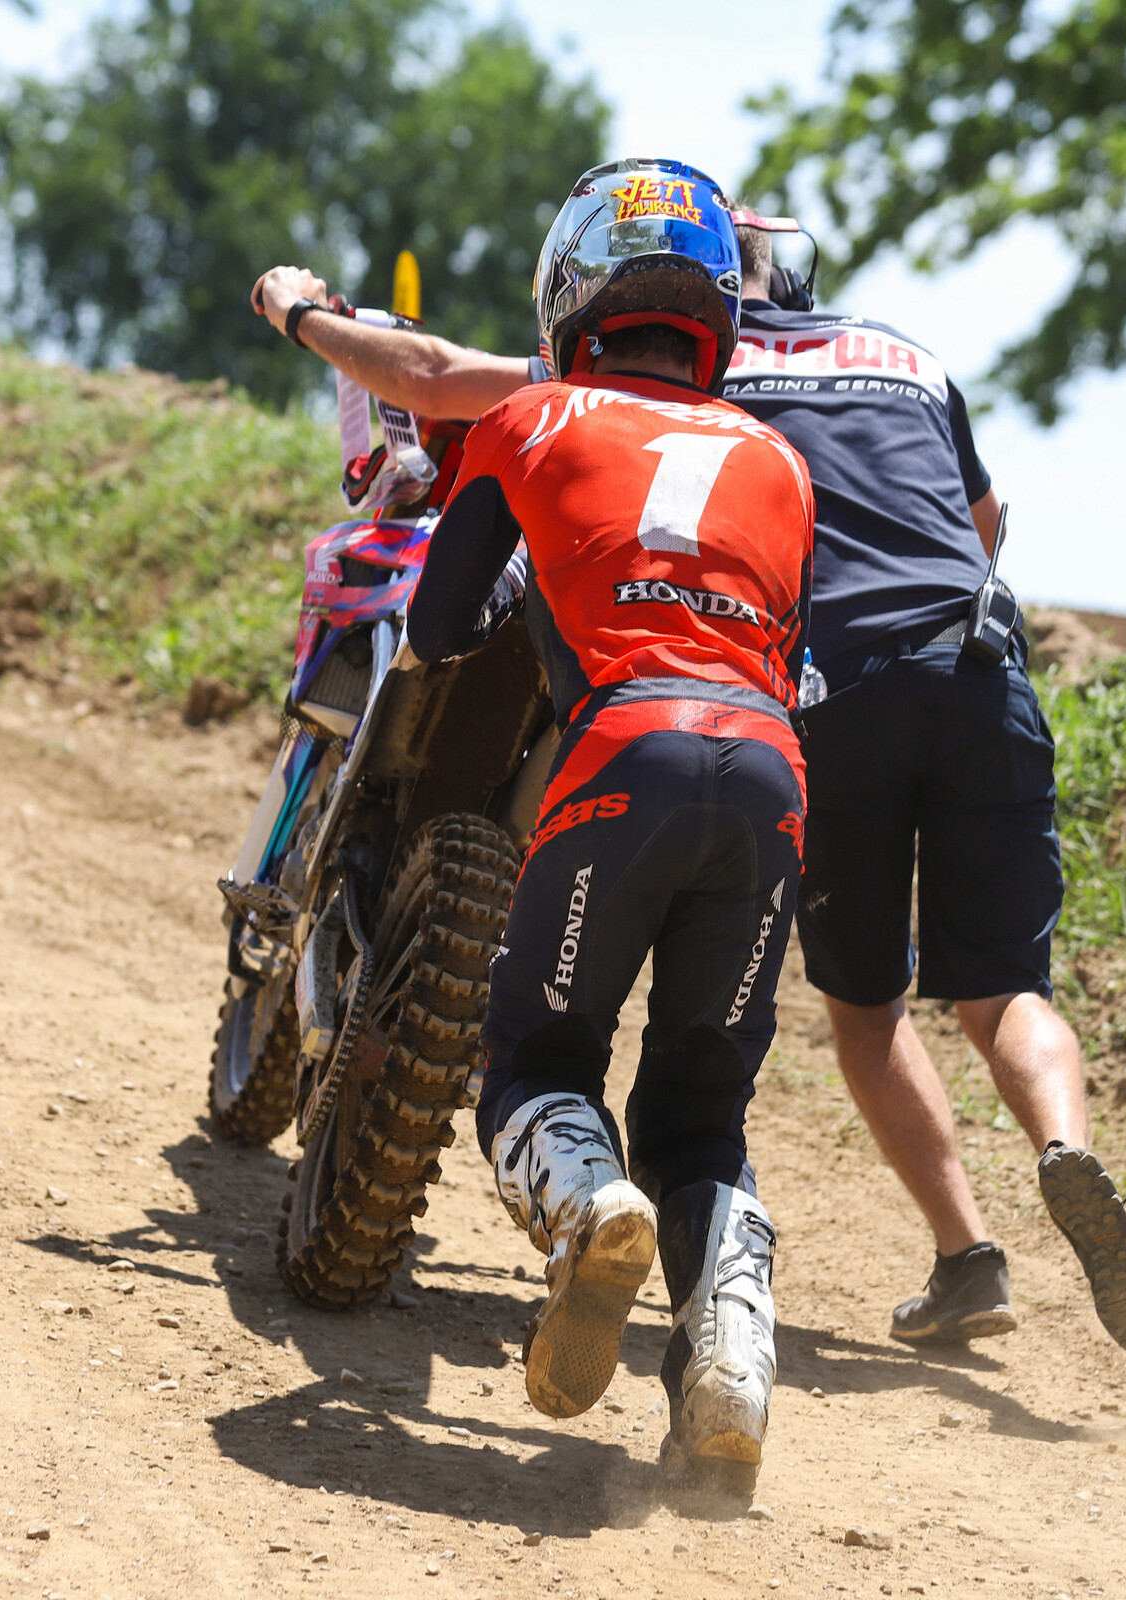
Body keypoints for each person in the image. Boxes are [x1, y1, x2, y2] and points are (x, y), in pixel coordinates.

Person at [250, 203, 1126, 1360]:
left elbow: (431, 379)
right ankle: (1048, 1160)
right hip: (961, 673)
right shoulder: (905, 358)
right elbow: (985, 526)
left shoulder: (651, 383)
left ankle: (941, 1244)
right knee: (994, 995)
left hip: (786, 702)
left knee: (857, 1007)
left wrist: (305, 315)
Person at [363, 157, 815, 1494]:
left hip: (624, 752)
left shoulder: (532, 416)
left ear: (571, 293)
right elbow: (796, 654)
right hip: (772, 777)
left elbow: (443, 623)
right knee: (702, 1113)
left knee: (537, 1059)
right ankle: (730, 1365)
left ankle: (588, 1205)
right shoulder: (782, 462)